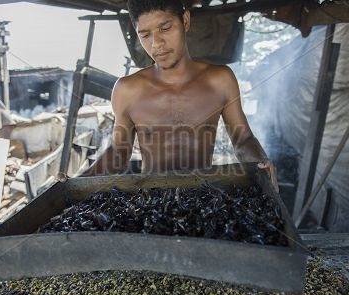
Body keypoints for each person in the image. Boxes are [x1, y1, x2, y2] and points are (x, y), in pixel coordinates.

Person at [81, 0, 278, 191]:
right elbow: (119, 151)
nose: (157, 43)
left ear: (185, 21)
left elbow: (243, 139)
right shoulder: (127, 90)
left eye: (165, 28)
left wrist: (260, 160)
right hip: (150, 203)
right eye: (145, 34)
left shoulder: (220, 80)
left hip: (202, 197)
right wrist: (79, 181)